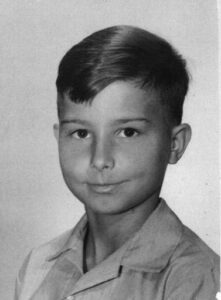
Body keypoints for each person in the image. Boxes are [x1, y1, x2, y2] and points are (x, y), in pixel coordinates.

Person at [15, 25, 220, 300]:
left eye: (128, 132)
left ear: (175, 144)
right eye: (81, 133)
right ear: (59, 136)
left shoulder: (197, 279)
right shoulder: (37, 267)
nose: (100, 159)